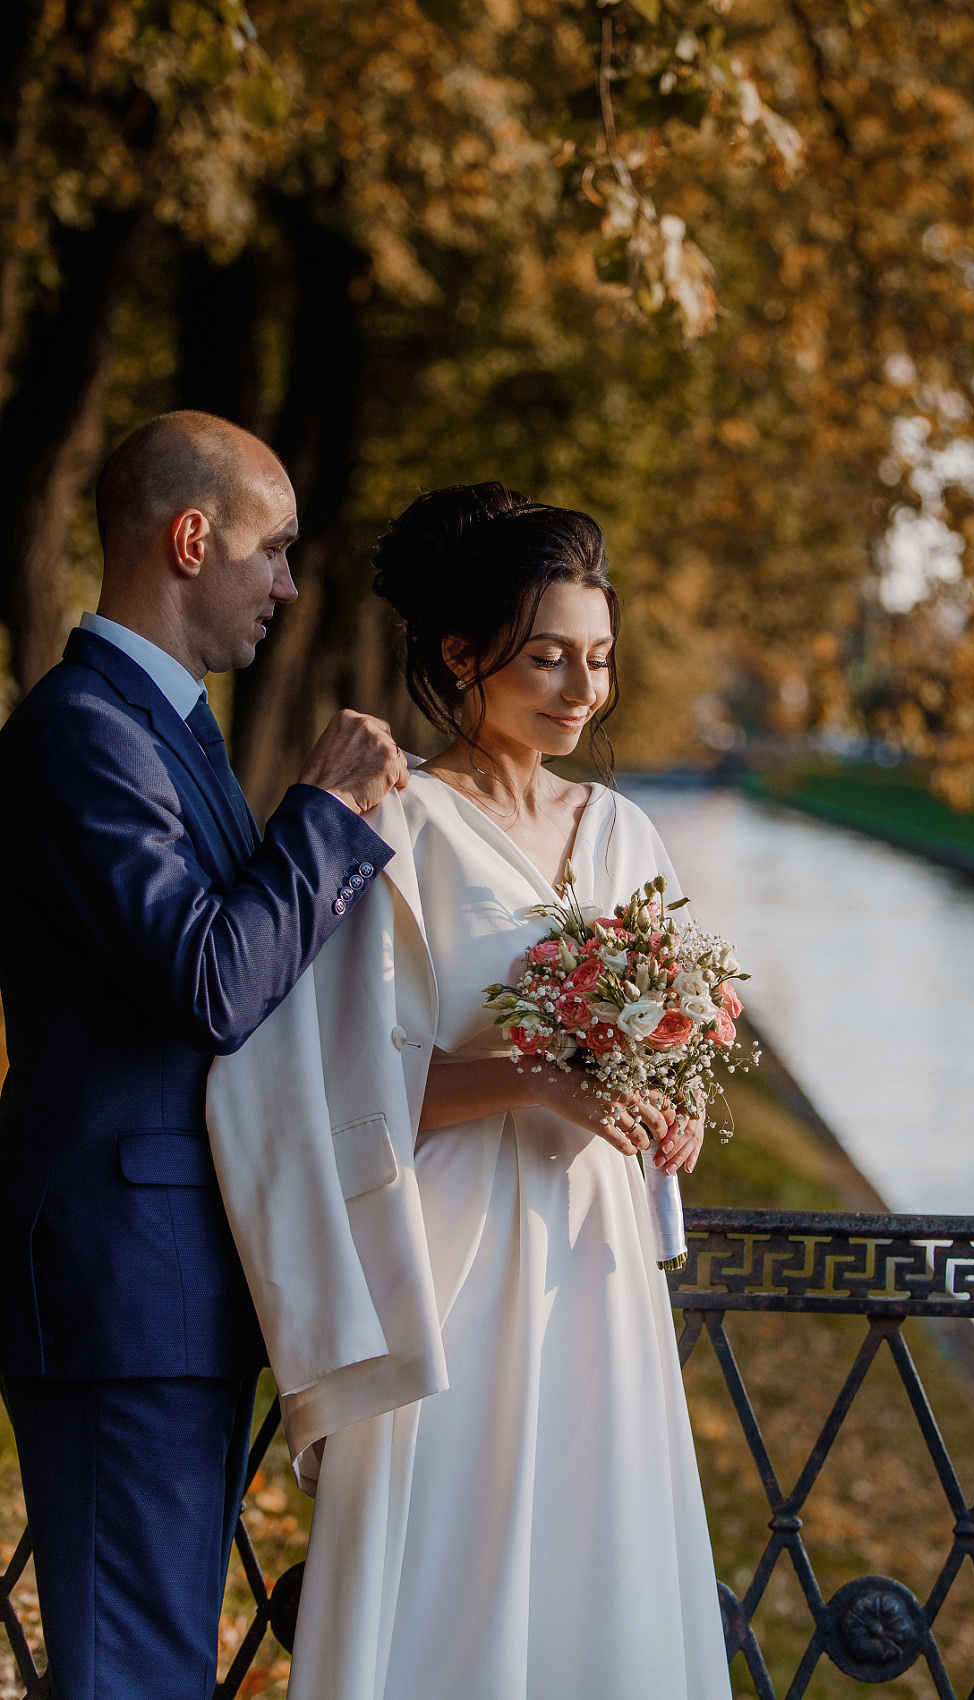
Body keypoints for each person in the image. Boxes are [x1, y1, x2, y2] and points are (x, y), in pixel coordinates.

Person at [224, 482, 732, 1700]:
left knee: (595, 1558)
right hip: (454, 1258)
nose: (581, 687)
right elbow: (340, 1080)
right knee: (454, 1569)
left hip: (597, 1261)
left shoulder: (626, 833)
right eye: (549, 654)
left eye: (598, 658)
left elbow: (679, 1024)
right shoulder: (402, 823)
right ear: (463, 654)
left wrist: (680, 1099)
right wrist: (532, 1078)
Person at [0, 410, 410, 1700]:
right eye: (275, 551)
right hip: (126, 1296)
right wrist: (327, 813)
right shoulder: (85, 730)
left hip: (178, 1282)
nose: (289, 585)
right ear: (193, 538)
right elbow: (214, 979)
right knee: (135, 1673)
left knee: (160, 1660)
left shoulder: (165, 726)